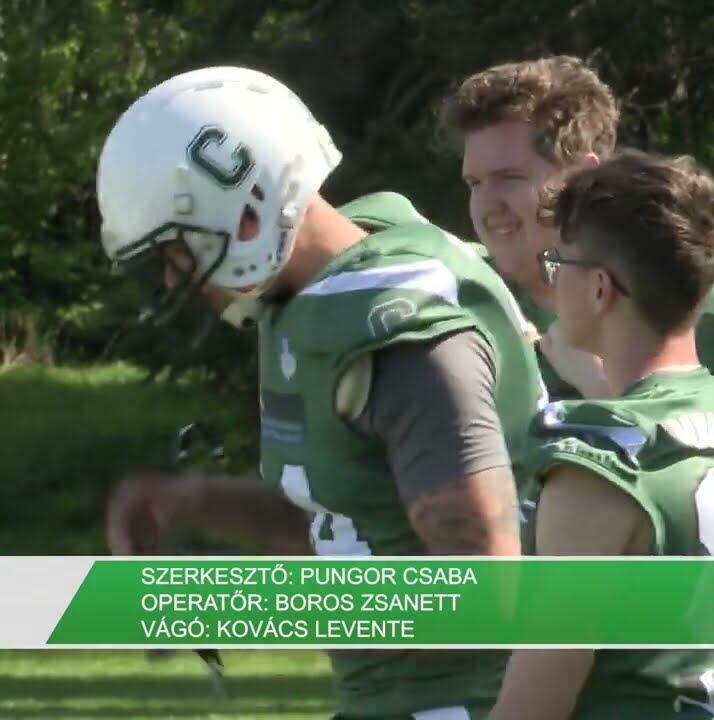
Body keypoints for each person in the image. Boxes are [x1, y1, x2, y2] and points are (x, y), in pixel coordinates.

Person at [96, 66, 543, 720]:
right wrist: (190, 502)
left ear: (246, 216)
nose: (172, 280)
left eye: (176, 250)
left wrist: (226, 605)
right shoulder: (316, 303)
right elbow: (353, 526)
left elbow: (479, 596)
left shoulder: (399, 331)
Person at [487, 151, 714, 720]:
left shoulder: (597, 471)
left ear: (599, 288)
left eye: (560, 263)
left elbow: (532, 705)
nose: (553, 279)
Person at [441, 55, 714, 398]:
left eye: (510, 178)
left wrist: (607, 389)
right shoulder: (450, 288)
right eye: (475, 183)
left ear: (580, 177)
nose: (486, 206)